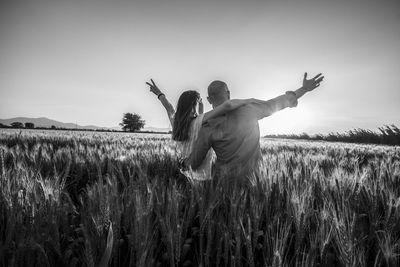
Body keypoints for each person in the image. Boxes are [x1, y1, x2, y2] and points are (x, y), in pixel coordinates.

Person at [185, 72, 324, 184]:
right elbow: (278, 103)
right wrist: (304, 88)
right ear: (228, 93)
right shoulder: (249, 109)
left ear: (209, 99)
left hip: (225, 184)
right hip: (256, 179)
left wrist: (180, 161)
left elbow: (194, 162)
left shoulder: (207, 127)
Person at [146, 79, 260, 181]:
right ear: (194, 105)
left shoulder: (176, 122)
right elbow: (224, 107)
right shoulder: (201, 122)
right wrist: (248, 102)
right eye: (199, 101)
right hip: (202, 177)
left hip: (184, 172)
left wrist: (159, 94)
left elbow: (169, 107)